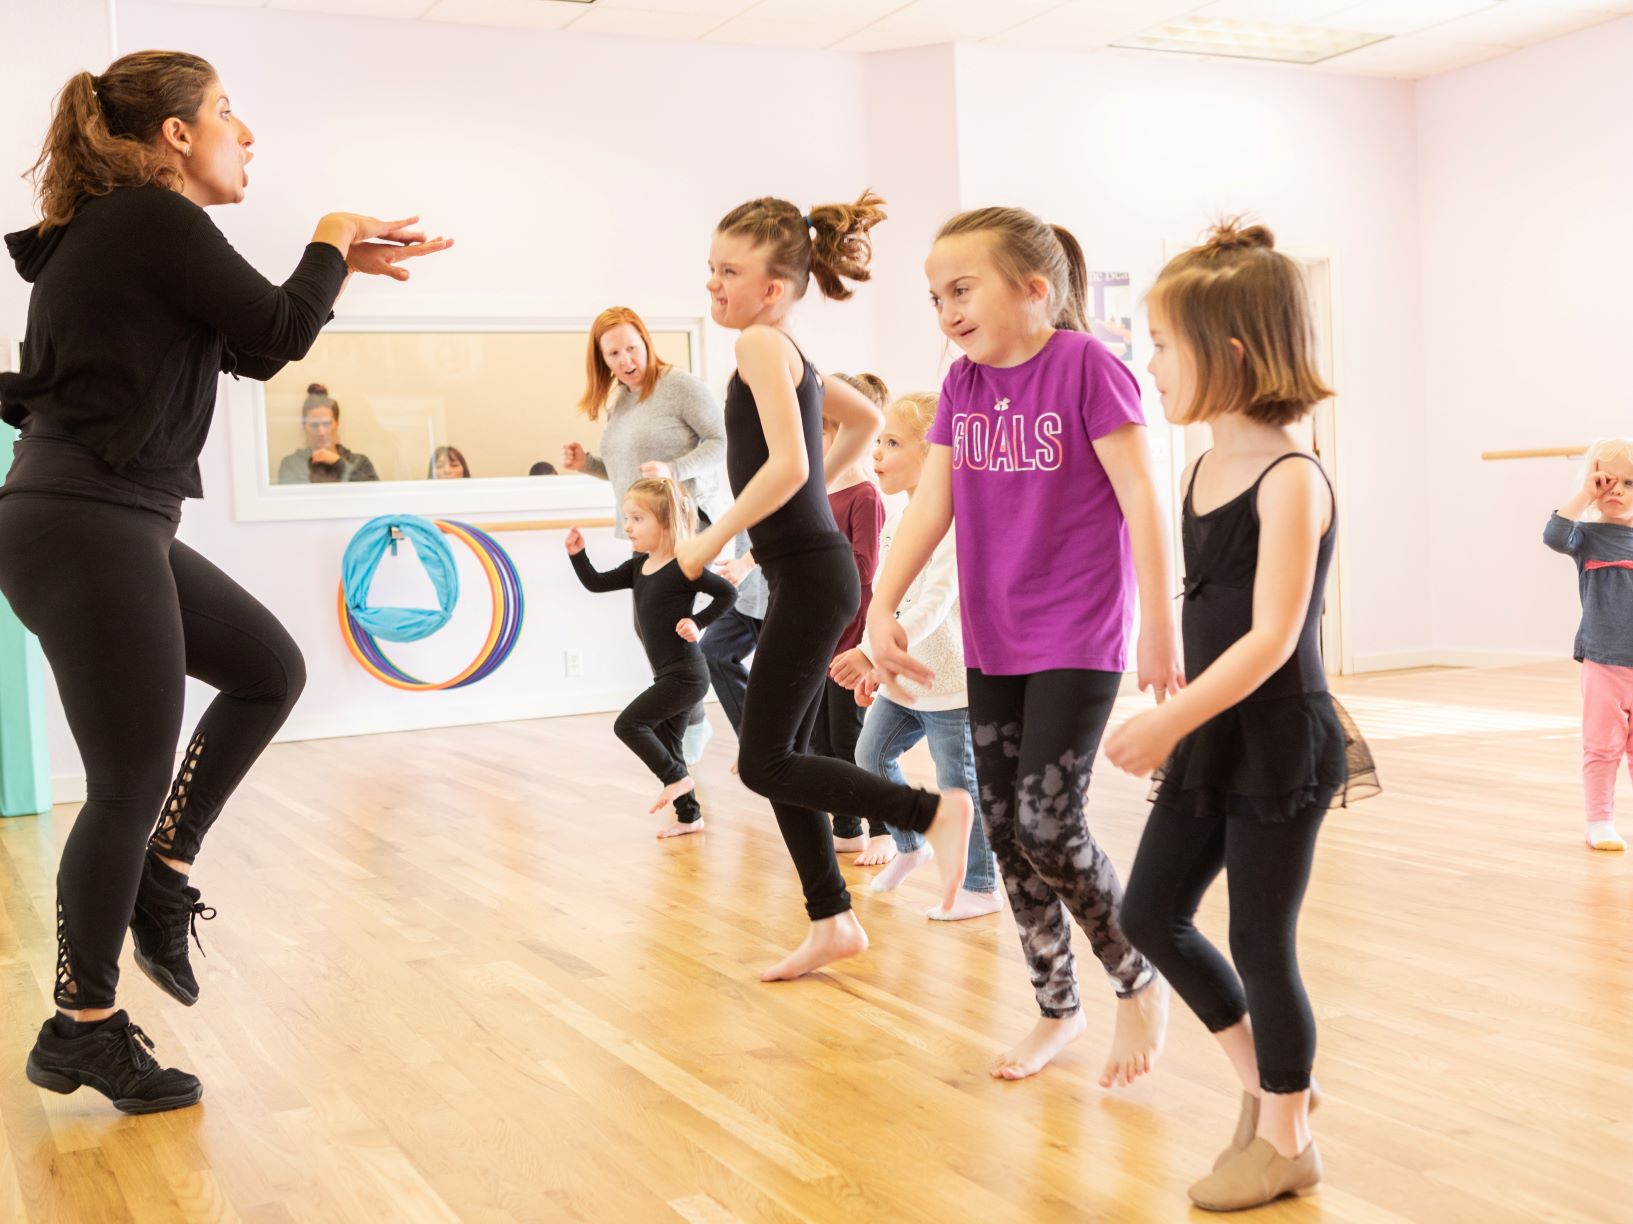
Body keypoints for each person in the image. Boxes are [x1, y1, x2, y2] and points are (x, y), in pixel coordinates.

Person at [0, 50, 450, 1113]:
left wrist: (335, 266)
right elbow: (281, 333)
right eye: (226, 113)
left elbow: (249, 348)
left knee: (267, 670)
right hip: (89, 522)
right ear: (176, 135)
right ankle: (82, 1028)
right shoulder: (152, 221)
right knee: (125, 782)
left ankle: (163, 876)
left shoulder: (123, 235)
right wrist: (330, 234)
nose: (245, 135)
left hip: (107, 521)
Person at [866, 207, 1178, 1087]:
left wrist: (1160, 620)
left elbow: (1141, 497)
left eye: (962, 290)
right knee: (1005, 830)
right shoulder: (961, 386)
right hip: (993, 634)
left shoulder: (1087, 367)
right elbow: (931, 506)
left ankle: (1135, 975)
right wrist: (880, 606)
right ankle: (1055, 1006)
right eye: (936, 297)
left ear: (1034, 288)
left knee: (1048, 824)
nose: (947, 311)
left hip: (1078, 630)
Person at [1108, 220, 1378, 1212]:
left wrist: (1165, 723)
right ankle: (1267, 1088)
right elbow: (1209, 605)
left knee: (1262, 941)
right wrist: (1166, 667)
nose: (1150, 365)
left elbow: (1271, 639)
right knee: (1149, 913)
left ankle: (1287, 1140)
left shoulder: (1291, 478)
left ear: (1226, 354)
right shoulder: (1196, 471)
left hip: (1276, 740)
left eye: (1163, 345)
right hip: (1213, 730)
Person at [675, 190, 973, 982]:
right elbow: (865, 421)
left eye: (727, 272)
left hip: (810, 574)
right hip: (808, 569)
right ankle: (831, 919)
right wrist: (806, 498)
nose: (712, 284)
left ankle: (929, 813)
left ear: (771, 288)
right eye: (711, 268)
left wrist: (711, 534)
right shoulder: (789, 351)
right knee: (783, 754)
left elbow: (788, 464)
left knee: (765, 761)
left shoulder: (758, 346)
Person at [560, 306, 754, 763]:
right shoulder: (621, 401)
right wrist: (586, 464)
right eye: (614, 353)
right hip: (648, 534)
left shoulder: (679, 386)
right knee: (648, 630)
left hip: (688, 528)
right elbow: (629, 472)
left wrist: (674, 469)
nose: (626, 360)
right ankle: (692, 721)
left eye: (632, 347)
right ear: (602, 359)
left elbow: (720, 442)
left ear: (646, 342)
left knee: (675, 634)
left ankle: (694, 729)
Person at [841, 391, 1002, 920]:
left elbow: (934, 604)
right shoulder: (898, 518)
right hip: (903, 680)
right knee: (870, 757)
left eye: (892, 443)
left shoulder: (957, 522)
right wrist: (876, 659)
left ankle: (980, 886)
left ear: (932, 453)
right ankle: (911, 846)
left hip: (948, 682)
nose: (877, 453)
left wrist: (873, 654)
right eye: (878, 441)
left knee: (959, 785)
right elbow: (889, 599)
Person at [567, 478, 736, 838]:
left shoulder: (683, 566)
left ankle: (675, 778)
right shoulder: (638, 566)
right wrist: (577, 555)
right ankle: (690, 816)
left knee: (628, 725)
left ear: (665, 524)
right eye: (626, 517)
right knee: (669, 742)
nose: (627, 526)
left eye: (637, 518)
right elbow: (596, 582)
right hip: (669, 675)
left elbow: (727, 594)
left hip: (687, 675)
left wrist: (698, 622)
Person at [811, 372, 890, 864]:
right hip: (821, 627)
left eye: (819, 431)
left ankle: (882, 829)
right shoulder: (821, 491)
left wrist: (816, 559)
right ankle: (845, 828)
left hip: (850, 628)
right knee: (820, 738)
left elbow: (864, 568)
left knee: (849, 738)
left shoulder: (864, 495)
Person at [1543, 437, 1633, 851]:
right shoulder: (1587, 536)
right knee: (1602, 747)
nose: (1617, 490)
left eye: (1629, 483)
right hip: (1603, 663)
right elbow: (1554, 535)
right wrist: (1584, 495)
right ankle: (1599, 821)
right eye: (1608, 480)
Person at [274, 383, 379, 483]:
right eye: (314, 425)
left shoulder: (360, 462)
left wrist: (339, 464)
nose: (321, 432)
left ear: (336, 423)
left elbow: (374, 493)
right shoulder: (291, 464)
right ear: (304, 426)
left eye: (326, 424)